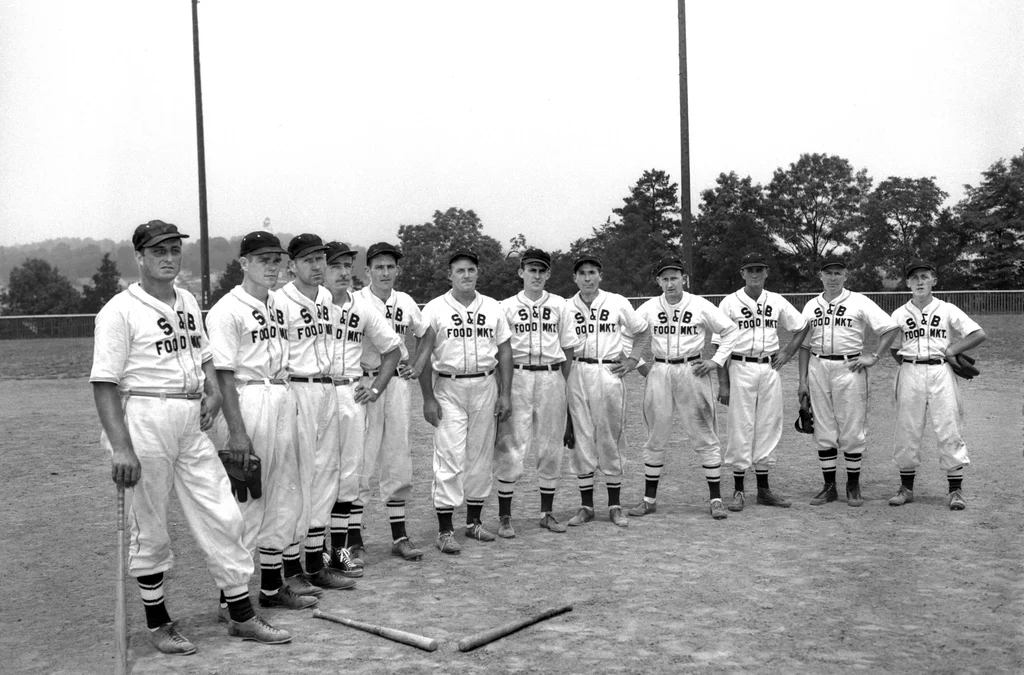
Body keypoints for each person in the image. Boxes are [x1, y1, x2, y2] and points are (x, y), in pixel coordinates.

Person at [91, 220, 289, 654]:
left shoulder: (185, 301)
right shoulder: (119, 310)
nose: (168, 257)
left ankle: (239, 613)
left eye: (173, 249)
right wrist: (121, 446)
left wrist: (214, 391)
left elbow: (205, 357)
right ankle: (158, 621)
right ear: (139, 256)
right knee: (151, 523)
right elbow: (103, 383)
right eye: (158, 250)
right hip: (143, 413)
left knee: (225, 512)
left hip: (190, 415)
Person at [206, 231, 317, 616]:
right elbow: (222, 375)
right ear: (244, 263)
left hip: (280, 395)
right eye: (263, 259)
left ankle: (271, 587)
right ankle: (229, 598)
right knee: (246, 503)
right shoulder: (226, 310)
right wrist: (237, 431)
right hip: (247, 398)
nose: (273, 267)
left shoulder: (277, 305)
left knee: (283, 495)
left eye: (277, 259)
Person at [417, 249, 513, 554]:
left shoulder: (494, 307)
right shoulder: (434, 309)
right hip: (448, 386)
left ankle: (473, 522)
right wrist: (428, 398)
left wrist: (506, 392)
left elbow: (505, 351)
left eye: (471, 269)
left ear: (478, 273)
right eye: (460, 270)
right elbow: (423, 355)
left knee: (481, 455)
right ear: (450, 275)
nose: (466, 275)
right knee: (449, 455)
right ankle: (445, 529)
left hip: (485, 384)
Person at [630, 259, 739, 520]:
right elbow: (625, 335)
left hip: (693, 369)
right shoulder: (649, 307)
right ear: (658, 281)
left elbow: (730, 330)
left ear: (683, 279)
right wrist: (641, 364)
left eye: (674, 277)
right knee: (656, 434)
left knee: (704, 433)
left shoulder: (699, 304)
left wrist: (715, 360)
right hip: (661, 370)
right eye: (664, 279)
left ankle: (715, 500)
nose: (670, 283)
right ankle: (648, 500)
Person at [276, 234, 353, 592]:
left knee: (326, 475)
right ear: (292, 265)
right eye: (308, 260)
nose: (317, 265)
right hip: (298, 388)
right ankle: (290, 570)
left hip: (327, 388)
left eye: (321, 258)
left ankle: (313, 563)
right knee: (299, 478)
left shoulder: (325, 297)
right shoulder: (279, 301)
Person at [321, 242, 403, 568]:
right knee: (315, 475)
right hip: (312, 394)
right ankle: (312, 555)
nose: (342, 272)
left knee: (349, 475)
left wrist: (377, 389)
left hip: (350, 393)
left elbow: (393, 349)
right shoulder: (307, 306)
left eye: (346, 266)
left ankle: (339, 551)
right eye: (334, 266)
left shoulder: (362, 307)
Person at [798, 256, 898, 507]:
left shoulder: (859, 301)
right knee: (823, 427)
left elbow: (890, 327)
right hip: (818, 366)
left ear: (845, 276)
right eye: (828, 273)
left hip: (850, 367)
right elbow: (804, 345)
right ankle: (829, 486)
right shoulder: (811, 305)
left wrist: (874, 356)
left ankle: (853, 485)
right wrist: (802, 381)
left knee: (852, 428)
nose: (833, 278)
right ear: (820, 276)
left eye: (838, 273)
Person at [493, 248, 580, 536]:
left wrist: (567, 391)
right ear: (521, 273)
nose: (537, 275)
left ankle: (546, 513)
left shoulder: (561, 305)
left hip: (551, 377)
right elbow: (500, 352)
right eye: (531, 269)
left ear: (549, 274)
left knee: (550, 445)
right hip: (517, 376)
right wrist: (502, 391)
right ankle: (505, 516)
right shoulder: (504, 307)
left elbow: (568, 350)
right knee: (511, 445)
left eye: (542, 270)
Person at [887, 261, 986, 510]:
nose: (919, 281)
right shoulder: (899, 314)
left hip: (941, 371)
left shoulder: (947, 309)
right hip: (909, 371)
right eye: (914, 278)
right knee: (907, 429)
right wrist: (912, 364)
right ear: (908, 283)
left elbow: (978, 334)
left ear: (934, 281)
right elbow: (893, 348)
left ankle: (955, 491)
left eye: (924, 277)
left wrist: (952, 350)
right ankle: (906, 488)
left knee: (949, 426)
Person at [717, 252, 809, 511]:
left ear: (767, 272)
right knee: (740, 426)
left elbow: (803, 326)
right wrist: (723, 384)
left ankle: (764, 490)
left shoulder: (777, 300)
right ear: (742, 274)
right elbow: (719, 345)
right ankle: (738, 490)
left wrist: (788, 352)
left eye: (759, 269)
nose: (755, 274)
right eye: (750, 270)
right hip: (739, 366)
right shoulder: (729, 303)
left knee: (769, 425)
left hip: (769, 368)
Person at [356, 242, 430, 561]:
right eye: (379, 267)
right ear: (368, 271)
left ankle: (399, 536)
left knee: (398, 458)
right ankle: (352, 538)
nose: (385, 272)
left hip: (398, 383)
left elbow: (426, 334)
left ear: (398, 270)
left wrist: (420, 362)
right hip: (364, 382)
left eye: (390, 267)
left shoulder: (407, 301)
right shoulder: (356, 300)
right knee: (360, 459)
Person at [565, 255, 650, 528]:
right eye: (582, 273)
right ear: (574, 278)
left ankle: (615, 505)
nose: (587, 278)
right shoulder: (566, 307)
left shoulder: (617, 301)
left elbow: (642, 331)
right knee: (581, 436)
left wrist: (633, 360)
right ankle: (586, 506)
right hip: (577, 370)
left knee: (610, 436)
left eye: (592, 272)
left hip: (608, 371)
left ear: (600, 275)